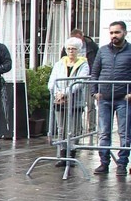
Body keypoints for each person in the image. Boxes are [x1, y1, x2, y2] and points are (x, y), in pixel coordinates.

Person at [90, 20, 131, 174]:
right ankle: (104, 162)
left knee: (124, 133)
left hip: (124, 99)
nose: (114, 35)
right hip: (104, 98)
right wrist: (94, 92)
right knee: (104, 132)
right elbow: (95, 73)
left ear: (125, 33)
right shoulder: (103, 51)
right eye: (112, 32)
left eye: (117, 32)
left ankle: (122, 164)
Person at [47, 37, 90, 167]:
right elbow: (52, 81)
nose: (71, 51)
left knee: (73, 129)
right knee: (61, 129)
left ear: (79, 50)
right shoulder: (59, 63)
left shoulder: (84, 64)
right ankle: (62, 154)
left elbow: (79, 82)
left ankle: (71, 154)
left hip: (75, 102)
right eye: (69, 49)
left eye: (73, 49)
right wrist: (56, 93)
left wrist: (65, 92)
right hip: (59, 101)